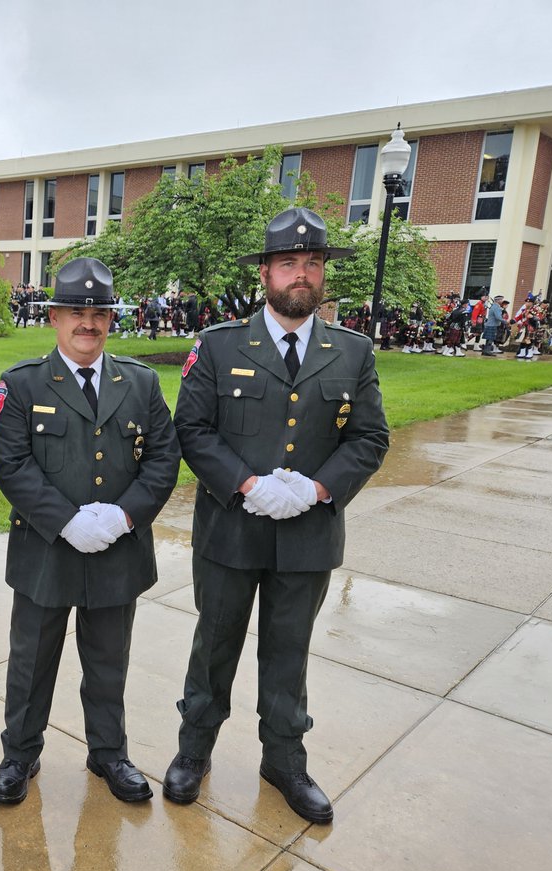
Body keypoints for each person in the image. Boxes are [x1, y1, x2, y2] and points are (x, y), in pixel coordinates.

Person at [164, 207, 389, 824]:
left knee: (290, 651)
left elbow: (370, 437)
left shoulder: (352, 352)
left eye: (312, 263)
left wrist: (316, 489)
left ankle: (285, 760)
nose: (302, 274)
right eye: (288, 263)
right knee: (215, 645)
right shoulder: (219, 345)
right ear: (264, 272)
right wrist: (247, 484)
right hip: (231, 530)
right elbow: (193, 428)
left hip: (308, 535)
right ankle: (194, 749)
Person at [0, 257, 181, 806]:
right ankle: (19, 754)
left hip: (118, 549)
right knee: (31, 661)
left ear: (111, 319)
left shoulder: (140, 382)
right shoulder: (22, 384)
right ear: (55, 317)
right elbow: (13, 465)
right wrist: (67, 521)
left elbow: (163, 458)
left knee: (108, 661)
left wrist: (122, 517)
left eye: (99, 313)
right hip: (46, 550)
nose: (88, 323)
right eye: (76, 312)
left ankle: (109, 753)